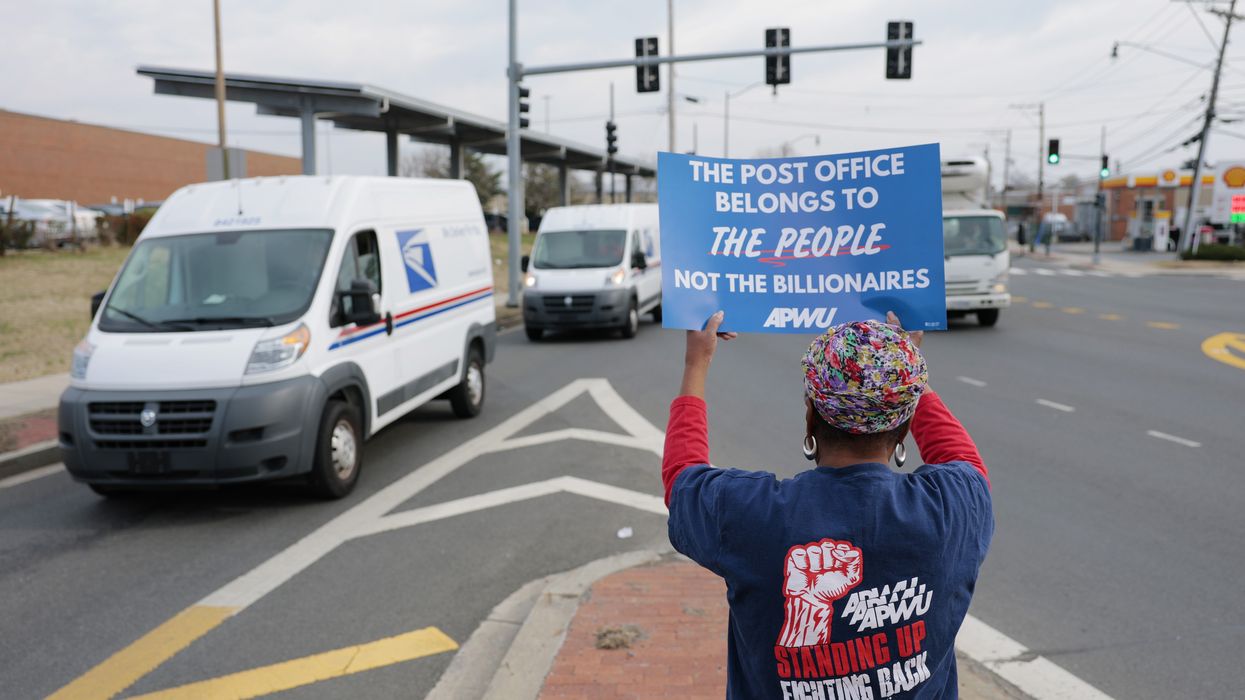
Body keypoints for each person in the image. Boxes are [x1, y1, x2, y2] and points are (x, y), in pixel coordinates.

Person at [663, 311, 993, 699]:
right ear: (905, 426)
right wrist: (902, 373)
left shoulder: (750, 514)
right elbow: (963, 458)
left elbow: (682, 477)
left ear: (810, 418)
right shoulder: (955, 507)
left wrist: (696, 363)